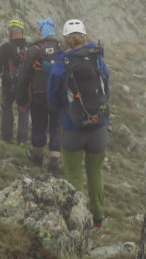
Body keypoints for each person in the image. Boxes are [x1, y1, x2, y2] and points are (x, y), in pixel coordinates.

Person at [48, 18, 110, 228]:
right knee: (95, 171)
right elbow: (106, 89)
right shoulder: (97, 59)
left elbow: (52, 98)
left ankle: (78, 220)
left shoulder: (61, 65)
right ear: (85, 37)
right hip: (99, 128)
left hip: (72, 127)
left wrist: (65, 109)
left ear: (65, 40)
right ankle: (99, 216)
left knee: (73, 174)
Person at [16, 17, 63, 171]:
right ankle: (54, 162)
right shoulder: (61, 48)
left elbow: (23, 78)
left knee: (39, 127)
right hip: (58, 97)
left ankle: (37, 160)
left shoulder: (33, 50)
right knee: (56, 127)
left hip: (38, 96)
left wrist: (21, 101)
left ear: (39, 32)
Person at [0, 18, 30, 144]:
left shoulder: (6, 48)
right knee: (23, 108)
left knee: (7, 106)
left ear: (10, 32)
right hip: (25, 84)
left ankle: (7, 137)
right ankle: (22, 140)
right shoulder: (30, 47)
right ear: (22, 31)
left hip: (9, 84)